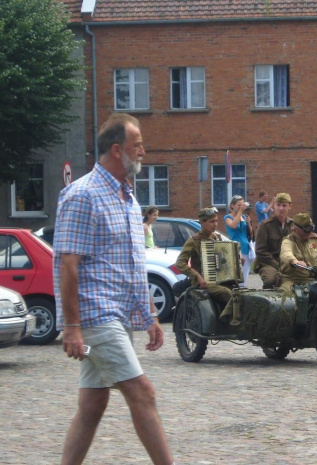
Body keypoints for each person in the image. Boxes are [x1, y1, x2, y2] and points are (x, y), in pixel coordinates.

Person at [53, 113, 175, 465]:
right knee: (142, 392)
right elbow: (68, 265)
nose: (144, 152)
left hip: (117, 316)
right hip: (95, 317)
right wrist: (73, 328)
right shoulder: (82, 195)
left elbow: (131, 266)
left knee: (93, 403)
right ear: (117, 150)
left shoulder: (127, 200)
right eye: (138, 146)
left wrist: (150, 315)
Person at [175, 206, 234, 310]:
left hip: (220, 279)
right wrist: (197, 276)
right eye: (211, 222)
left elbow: (223, 260)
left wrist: (236, 261)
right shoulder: (193, 241)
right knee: (226, 293)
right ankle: (228, 321)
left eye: (216, 221)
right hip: (202, 282)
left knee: (239, 292)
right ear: (202, 222)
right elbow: (180, 263)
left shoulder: (217, 237)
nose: (215, 224)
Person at [279, 212, 317, 293]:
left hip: (312, 280)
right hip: (293, 280)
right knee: (285, 296)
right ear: (296, 229)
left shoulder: (314, 239)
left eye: (311, 228)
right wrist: (295, 261)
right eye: (307, 229)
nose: (309, 232)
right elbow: (286, 253)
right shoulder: (288, 240)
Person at [253, 192, 295, 289]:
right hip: (269, 262)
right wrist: (277, 265)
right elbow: (260, 251)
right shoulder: (265, 225)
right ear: (274, 206)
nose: (281, 208)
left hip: (288, 262)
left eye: (284, 205)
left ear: (290, 206)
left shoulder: (293, 225)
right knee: (270, 280)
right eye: (278, 205)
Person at [225, 195, 253, 287]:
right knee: (236, 276)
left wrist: (248, 223)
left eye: (242, 204)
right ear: (232, 205)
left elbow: (250, 233)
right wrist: (240, 212)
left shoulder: (243, 216)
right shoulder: (227, 217)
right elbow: (233, 225)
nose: (241, 207)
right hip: (236, 248)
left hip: (246, 248)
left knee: (244, 276)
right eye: (239, 205)